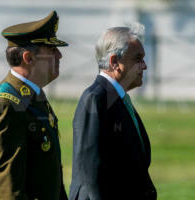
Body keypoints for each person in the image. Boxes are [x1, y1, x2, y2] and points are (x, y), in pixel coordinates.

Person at [0, 11, 68, 200]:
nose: (59, 55)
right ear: (28, 58)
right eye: (52, 50)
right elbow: (8, 191)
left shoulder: (32, 95)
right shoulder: (4, 105)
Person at [69, 23, 157, 200]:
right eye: (138, 58)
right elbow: (91, 171)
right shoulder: (95, 98)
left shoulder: (118, 98)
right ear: (114, 62)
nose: (145, 66)